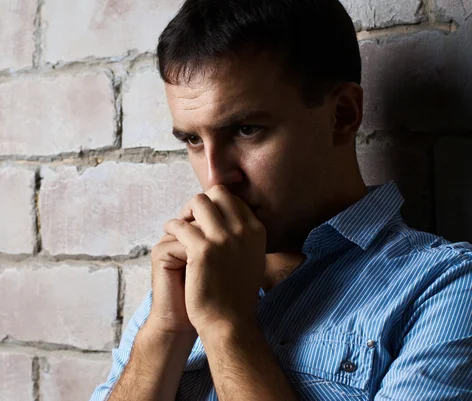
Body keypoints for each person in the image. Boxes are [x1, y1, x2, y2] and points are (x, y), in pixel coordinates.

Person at [90, 0, 472, 399]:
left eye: (246, 129)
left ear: (342, 114)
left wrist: (226, 327)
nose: (216, 179)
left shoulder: (443, 289)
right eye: (193, 140)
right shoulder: (191, 272)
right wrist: (165, 333)